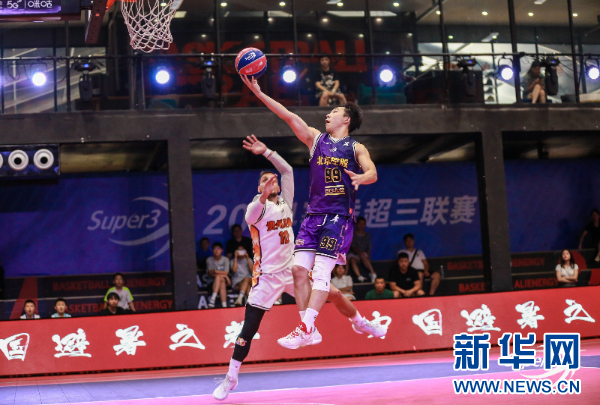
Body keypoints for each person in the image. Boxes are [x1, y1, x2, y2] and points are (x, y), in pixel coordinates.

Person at [213, 136, 385, 401]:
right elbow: (257, 206)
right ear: (259, 187)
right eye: (265, 181)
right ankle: (231, 378)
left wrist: (267, 152)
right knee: (248, 330)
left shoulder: (285, 201)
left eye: (272, 180)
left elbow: (287, 171)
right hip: (266, 278)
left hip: (293, 271)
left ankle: (360, 323)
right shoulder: (255, 210)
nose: (271, 182)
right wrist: (264, 192)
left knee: (334, 293)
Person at [240, 73, 378, 350]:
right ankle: (310, 330)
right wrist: (259, 94)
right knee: (299, 270)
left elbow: (372, 172)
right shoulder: (316, 140)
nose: (328, 114)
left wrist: (362, 178)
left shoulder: (356, 147)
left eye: (334, 111)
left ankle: (307, 327)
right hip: (313, 217)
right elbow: (288, 116)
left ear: (346, 119)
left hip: (338, 217)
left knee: (322, 274)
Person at [348, 216, 377, 283]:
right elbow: (353, 246)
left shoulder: (367, 235)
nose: (361, 226)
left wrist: (368, 256)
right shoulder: (352, 234)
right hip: (353, 253)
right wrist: (359, 253)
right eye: (360, 224)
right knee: (353, 260)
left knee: (363, 255)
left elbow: (368, 247)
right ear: (356, 224)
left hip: (363, 254)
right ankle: (360, 277)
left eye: (363, 224)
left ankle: (373, 274)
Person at [207, 242, 231, 308]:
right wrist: (224, 276)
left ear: (222, 250)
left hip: (224, 280)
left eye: (218, 248)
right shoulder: (209, 259)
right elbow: (210, 273)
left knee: (220, 280)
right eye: (215, 249)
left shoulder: (225, 259)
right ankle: (224, 305)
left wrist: (215, 271)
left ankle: (212, 299)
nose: (216, 250)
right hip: (211, 282)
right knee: (221, 282)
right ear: (212, 250)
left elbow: (226, 272)